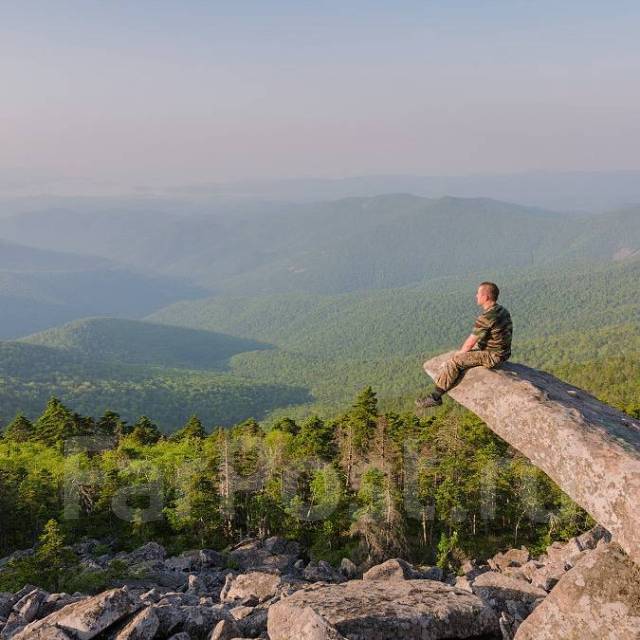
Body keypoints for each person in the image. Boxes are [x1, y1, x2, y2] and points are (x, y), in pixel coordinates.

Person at [415, 281, 512, 408]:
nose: (476, 296)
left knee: (454, 361)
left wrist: (459, 355)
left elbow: (470, 342)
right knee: (460, 355)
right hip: (501, 352)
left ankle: (435, 397)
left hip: (492, 355)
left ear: (486, 297)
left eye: (478, 294)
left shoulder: (487, 317)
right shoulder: (501, 310)